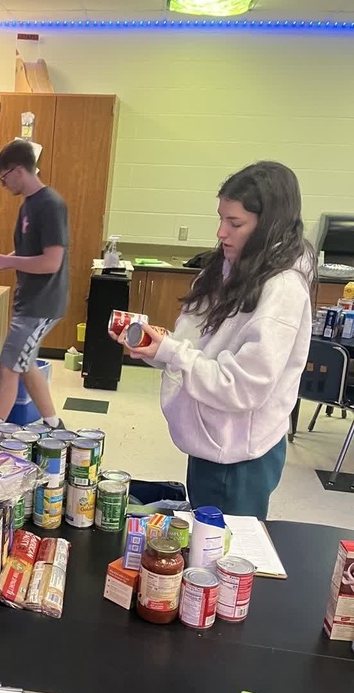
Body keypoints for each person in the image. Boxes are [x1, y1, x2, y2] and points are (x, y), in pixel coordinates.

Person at [118, 161, 313, 519]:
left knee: (224, 546)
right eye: (221, 218)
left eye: (235, 223)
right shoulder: (227, 269)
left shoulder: (282, 290)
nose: (221, 232)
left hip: (238, 455)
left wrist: (172, 351)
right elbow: (194, 347)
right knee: (203, 534)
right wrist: (156, 348)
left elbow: (242, 387)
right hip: (209, 438)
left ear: (269, 225)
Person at [0, 139, 69, 427]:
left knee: (7, 368)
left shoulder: (51, 205)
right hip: (30, 301)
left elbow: (52, 262)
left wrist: (5, 261)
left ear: (17, 170)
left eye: (3, 178)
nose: (3, 185)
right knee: (24, 364)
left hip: (43, 303)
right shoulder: (29, 205)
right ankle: (54, 423)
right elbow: (28, 250)